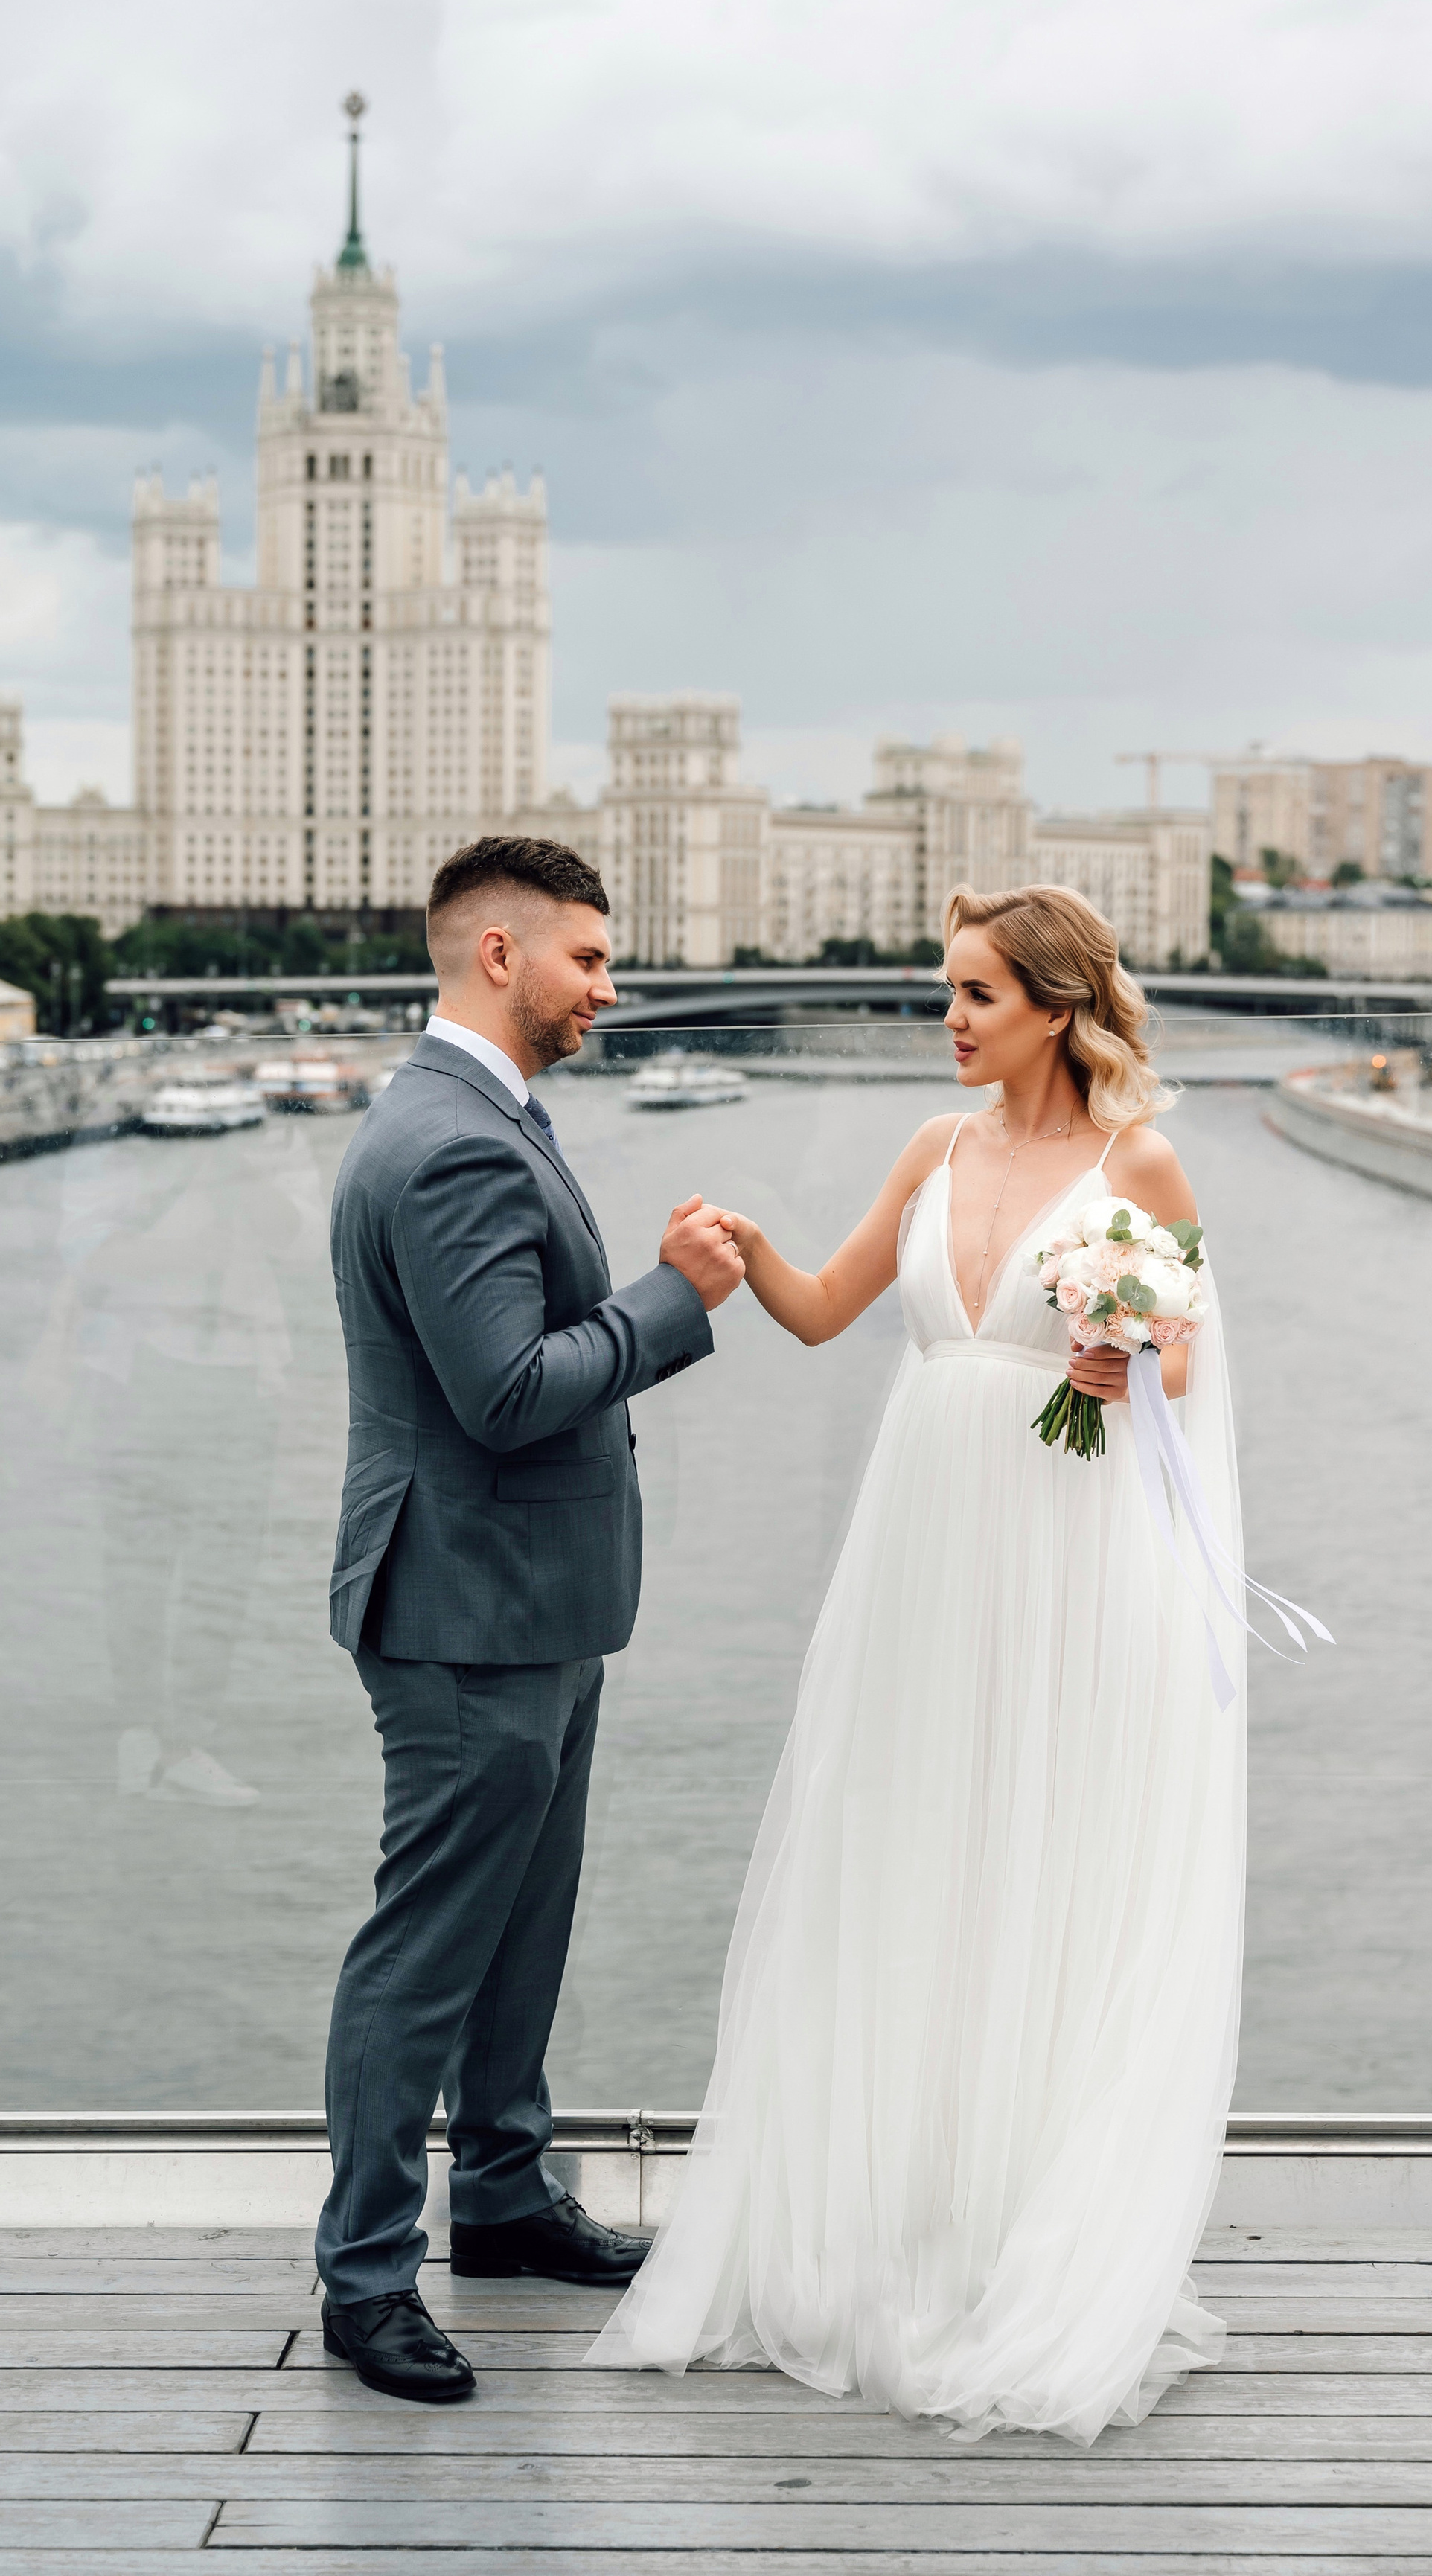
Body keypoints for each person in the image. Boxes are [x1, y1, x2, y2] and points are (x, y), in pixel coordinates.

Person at [592, 882, 1247, 2442]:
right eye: (941, 993)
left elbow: (1188, 1348)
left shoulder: (1134, 1159)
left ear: (1053, 1005)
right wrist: (735, 1245)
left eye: (972, 995)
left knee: (1039, 1857)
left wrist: (1131, 1348)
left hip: (1064, 1551)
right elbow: (825, 1315)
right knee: (911, 1853)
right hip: (924, 1547)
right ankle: (905, 2215)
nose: (946, 1021)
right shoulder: (929, 1151)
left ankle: (1015, 2232)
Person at [316, 834, 746, 2404]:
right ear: (497, 955)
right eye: (586, 958)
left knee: (517, 1932)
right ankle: (366, 2279)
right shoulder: (451, 1145)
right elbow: (503, 1395)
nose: (605, 987)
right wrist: (671, 1294)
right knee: (424, 1953)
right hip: (466, 1606)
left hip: (524, 1598)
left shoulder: (478, 1116)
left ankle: (497, 2197)